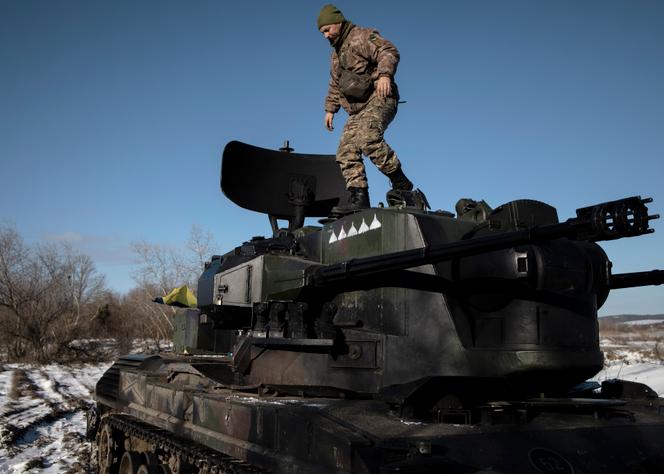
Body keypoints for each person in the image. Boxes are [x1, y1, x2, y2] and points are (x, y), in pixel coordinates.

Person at [317, 4, 414, 213]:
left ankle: (401, 182)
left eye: (327, 30)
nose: (325, 36)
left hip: (380, 97)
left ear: (338, 22)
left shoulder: (360, 37)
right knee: (345, 150)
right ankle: (359, 197)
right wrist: (330, 109)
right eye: (321, 32)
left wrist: (385, 75)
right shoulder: (335, 55)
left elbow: (388, 51)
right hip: (357, 109)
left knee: (367, 136)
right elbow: (335, 83)